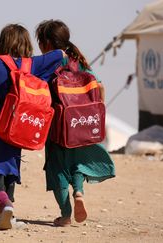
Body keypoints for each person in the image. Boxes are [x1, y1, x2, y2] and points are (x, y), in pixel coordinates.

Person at [0, 23, 64, 230]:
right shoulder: (32, 64)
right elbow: (60, 55)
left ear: (2, 43)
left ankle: (4, 203)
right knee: (10, 167)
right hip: (19, 125)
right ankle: (8, 215)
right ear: (26, 44)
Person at [35, 19, 116, 227]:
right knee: (77, 165)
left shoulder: (51, 63)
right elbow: (99, 86)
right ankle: (79, 192)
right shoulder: (79, 61)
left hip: (58, 128)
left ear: (47, 42)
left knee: (58, 169)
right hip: (81, 124)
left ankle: (65, 215)